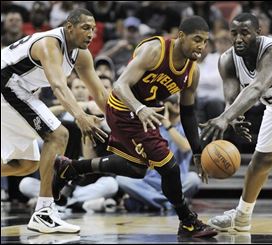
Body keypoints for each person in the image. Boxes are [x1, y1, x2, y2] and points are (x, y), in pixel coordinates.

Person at [52, 15, 218, 238]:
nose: (201, 46)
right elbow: (120, 85)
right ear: (180, 36)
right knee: (169, 166)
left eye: (205, 42)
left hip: (144, 113)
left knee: (137, 169)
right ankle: (187, 221)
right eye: (197, 39)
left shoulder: (193, 72)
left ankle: (72, 168)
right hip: (123, 107)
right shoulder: (155, 50)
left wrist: (197, 150)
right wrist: (140, 108)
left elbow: (187, 112)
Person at [1, 8, 109, 233]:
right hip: (6, 84)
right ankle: (44, 212)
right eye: (85, 28)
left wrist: (125, 123)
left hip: (17, 89)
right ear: (69, 27)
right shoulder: (50, 43)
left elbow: (100, 95)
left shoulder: (81, 53)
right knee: (59, 134)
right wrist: (79, 115)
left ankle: (44, 212)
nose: (91, 34)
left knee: (26, 165)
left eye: (94, 30)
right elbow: (59, 86)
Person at [199, 13, 272, 238]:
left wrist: (224, 118)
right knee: (260, 162)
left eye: (245, 33)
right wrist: (232, 115)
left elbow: (257, 88)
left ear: (258, 33)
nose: (238, 39)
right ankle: (242, 216)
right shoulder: (227, 60)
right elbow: (232, 98)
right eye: (234, 33)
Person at [116, 94, 201, 212]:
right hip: (150, 181)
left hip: (177, 180)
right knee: (121, 180)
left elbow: (186, 148)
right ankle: (169, 203)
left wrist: (167, 125)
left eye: (179, 101)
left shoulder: (189, 127)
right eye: (172, 101)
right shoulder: (151, 126)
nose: (176, 104)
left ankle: (151, 202)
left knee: (194, 179)